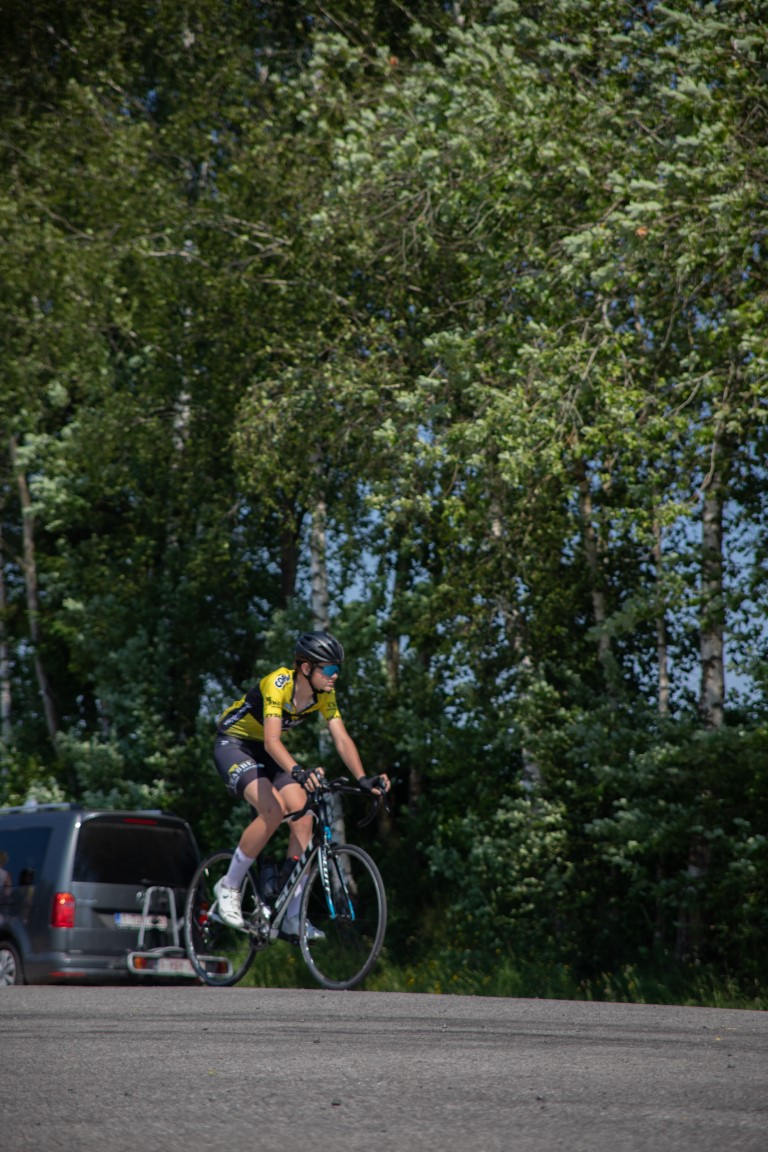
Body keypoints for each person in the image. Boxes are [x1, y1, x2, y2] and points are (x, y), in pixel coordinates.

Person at [212, 629, 389, 938]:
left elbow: (341, 737)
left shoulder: (324, 694)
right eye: (329, 669)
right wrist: (298, 771)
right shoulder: (278, 683)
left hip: (267, 753)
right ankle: (229, 885)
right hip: (235, 745)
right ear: (306, 667)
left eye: (337, 669)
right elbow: (272, 741)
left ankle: (292, 914)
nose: (335, 675)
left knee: (305, 816)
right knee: (273, 810)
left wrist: (362, 778)